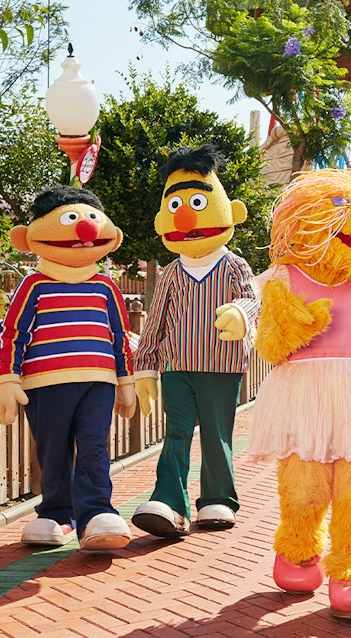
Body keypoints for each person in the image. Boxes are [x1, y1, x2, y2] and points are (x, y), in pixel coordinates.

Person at [0, 185, 136, 551]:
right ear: (30, 237)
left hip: (98, 382)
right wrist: (6, 377)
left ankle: (96, 514)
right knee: (53, 450)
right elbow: (12, 333)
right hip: (45, 382)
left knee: (94, 448)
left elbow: (120, 335)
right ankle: (56, 513)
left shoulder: (106, 287)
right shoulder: (33, 285)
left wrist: (125, 380)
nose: (84, 230)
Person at [130, 145, 259, 537]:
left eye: (199, 203)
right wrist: (145, 369)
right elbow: (155, 323)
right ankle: (170, 501)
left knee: (218, 434)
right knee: (177, 433)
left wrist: (241, 314)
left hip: (222, 367)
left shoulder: (235, 264)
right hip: (177, 368)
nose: (186, 217)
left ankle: (218, 498)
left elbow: (253, 299)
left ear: (228, 210)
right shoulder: (171, 271)